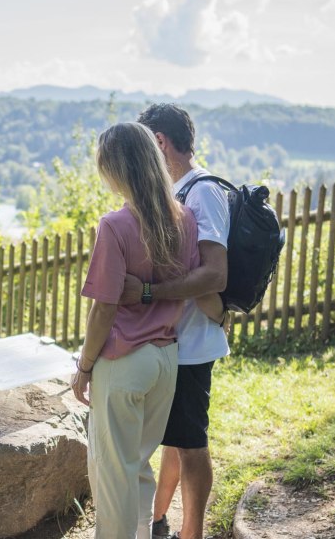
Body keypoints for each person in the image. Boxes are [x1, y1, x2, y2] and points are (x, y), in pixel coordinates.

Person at [70, 121, 219, 539]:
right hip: (165, 361)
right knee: (136, 467)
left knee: (112, 475)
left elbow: (104, 308)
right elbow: (190, 284)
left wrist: (83, 367)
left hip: (122, 362)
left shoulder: (115, 225)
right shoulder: (184, 217)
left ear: (115, 169)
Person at [120, 104, 230, 539]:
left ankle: (193, 533)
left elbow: (214, 273)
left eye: (146, 147)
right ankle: (157, 519)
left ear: (160, 143)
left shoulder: (202, 192)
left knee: (191, 442)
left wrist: (148, 293)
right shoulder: (178, 191)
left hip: (193, 344)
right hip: (171, 342)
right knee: (175, 439)